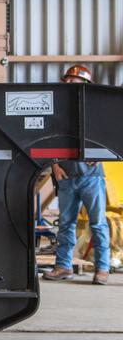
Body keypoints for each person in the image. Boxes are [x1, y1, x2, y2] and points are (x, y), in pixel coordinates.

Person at [42, 65, 112, 285]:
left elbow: (111, 136)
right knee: (66, 224)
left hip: (91, 177)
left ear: (85, 85)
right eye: (68, 80)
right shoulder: (59, 112)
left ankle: (102, 268)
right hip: (67, 176)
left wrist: (103, 155)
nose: (70, 84)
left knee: (98, 223)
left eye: (74, 81)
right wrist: (55, 166)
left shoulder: (97, 112)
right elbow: (50, 140)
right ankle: (63, 266)